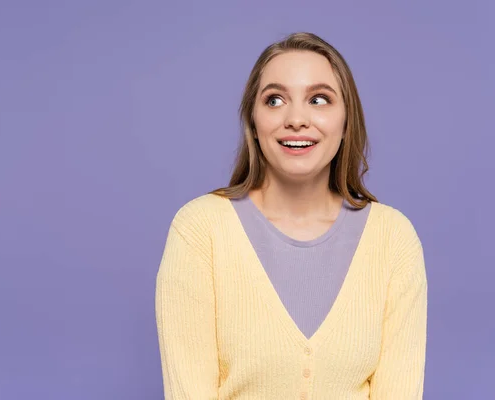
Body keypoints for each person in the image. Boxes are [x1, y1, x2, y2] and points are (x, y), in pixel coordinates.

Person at [155, 32, 427, 399]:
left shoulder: (393, 238)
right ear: (253, 121)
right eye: (275, 100)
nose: (296, 119)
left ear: (347, 122)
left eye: (319, 99)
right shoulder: (200, 231)